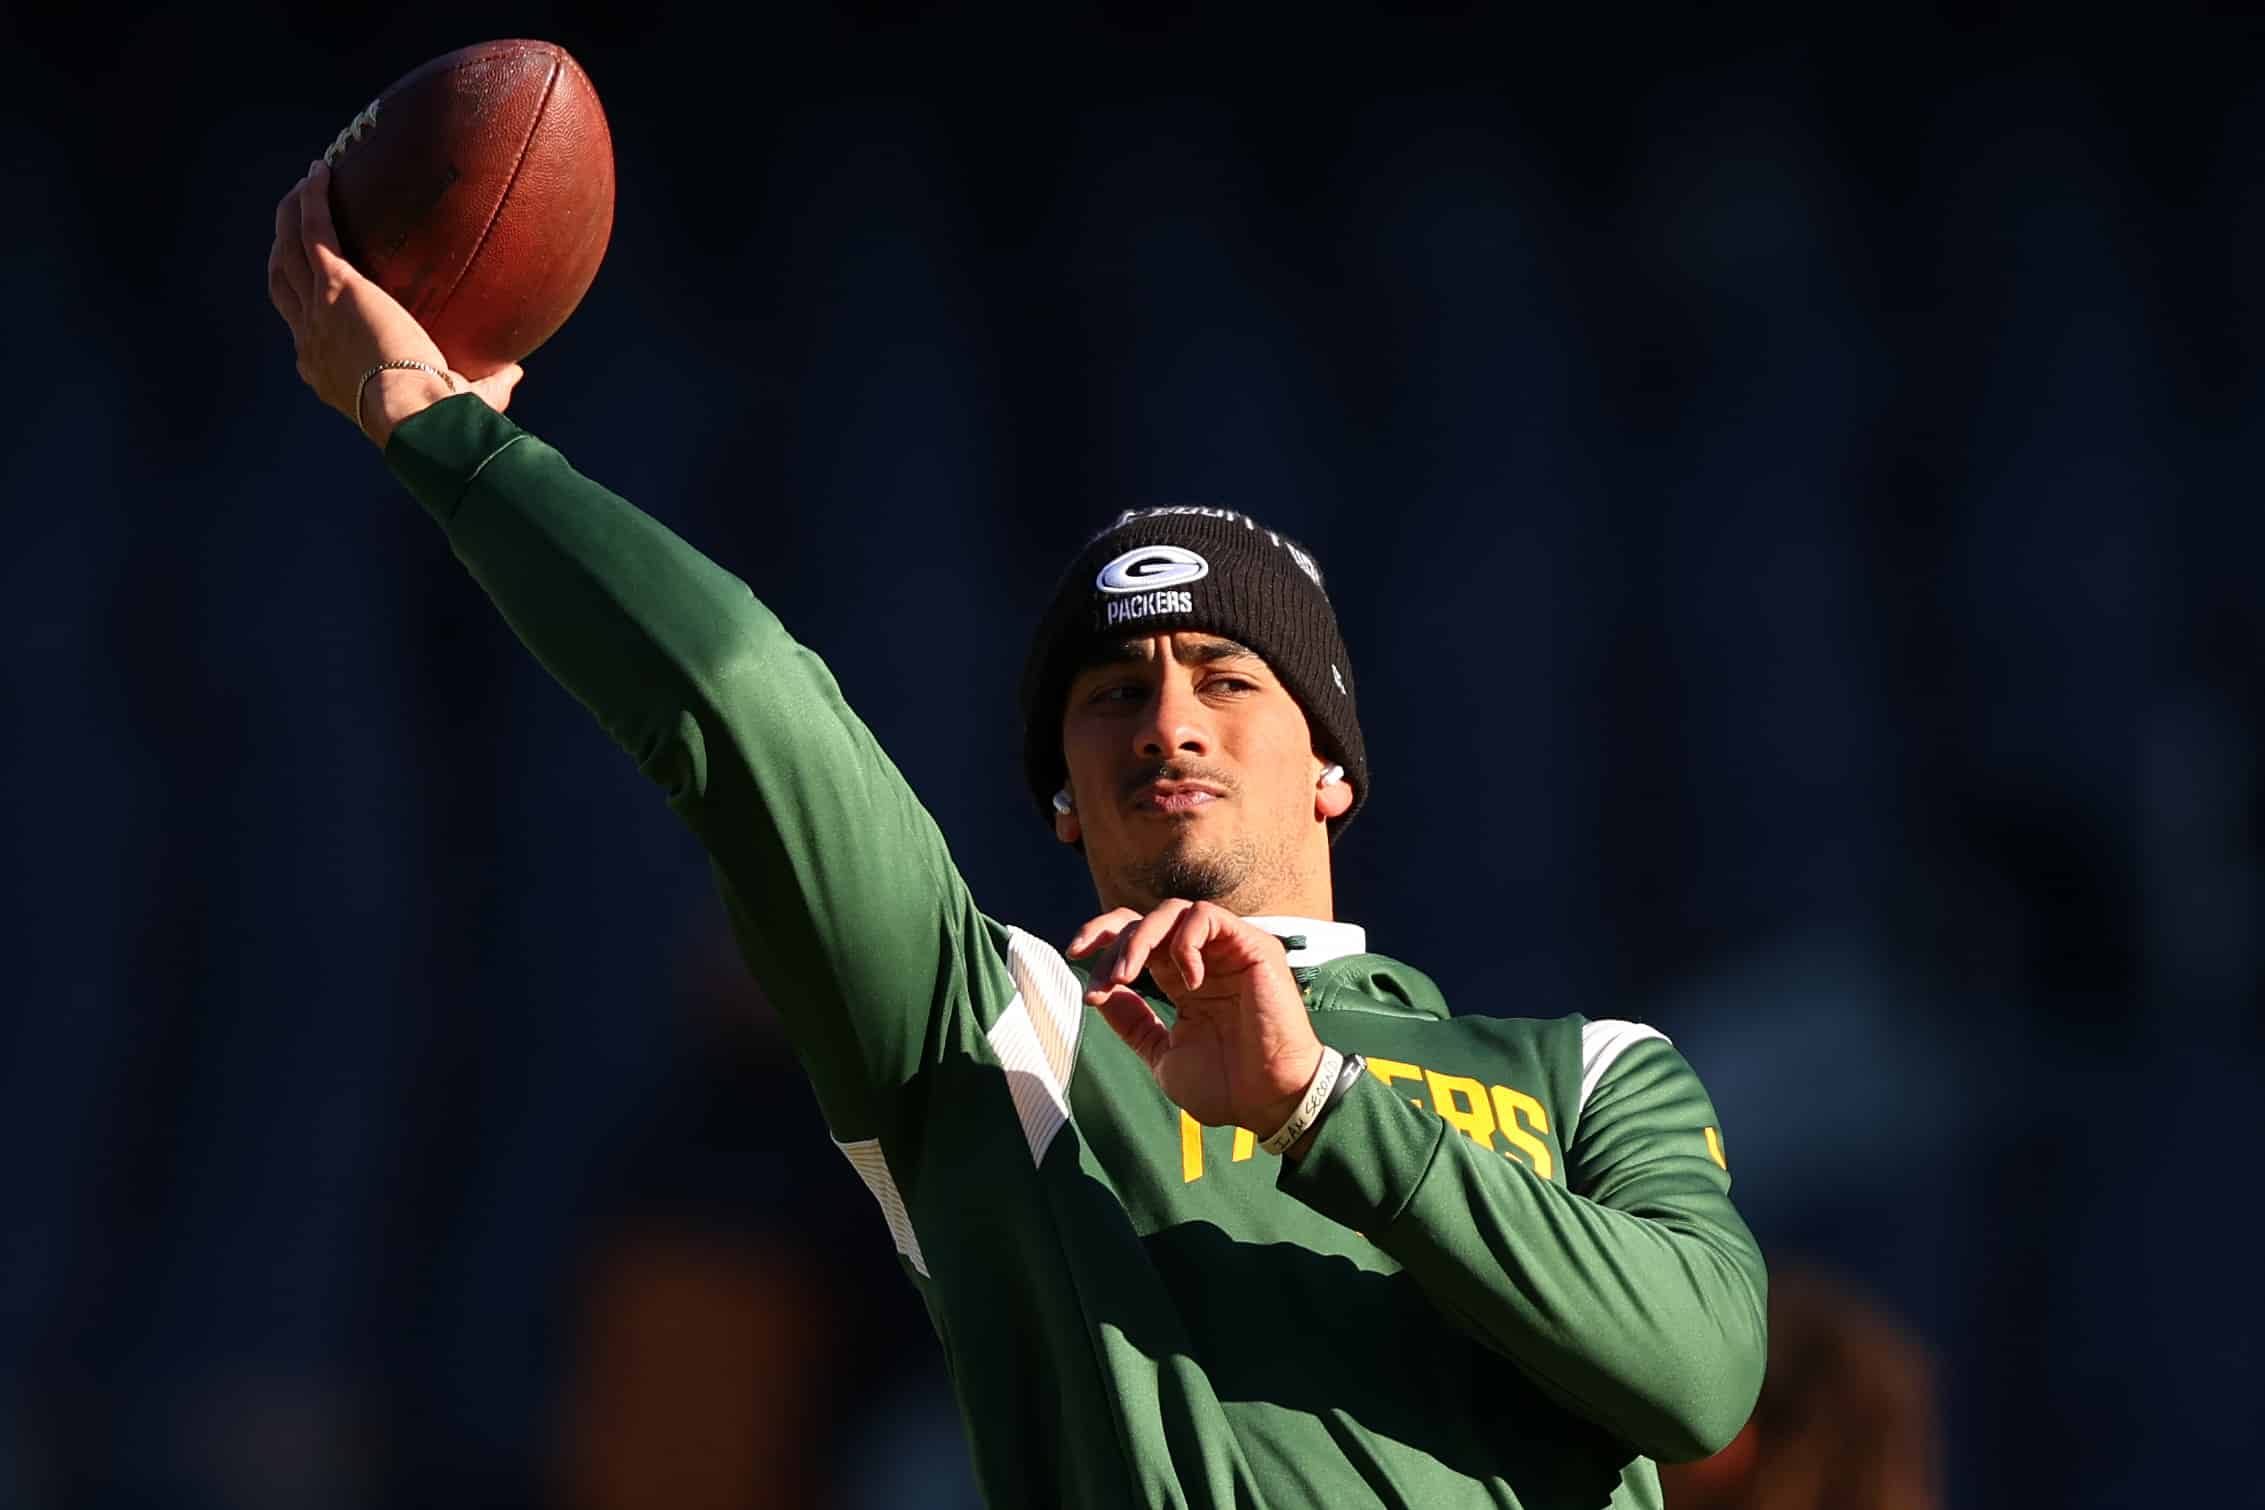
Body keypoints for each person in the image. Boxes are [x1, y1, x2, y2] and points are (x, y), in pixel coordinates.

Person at [268, 158, 1767, 1508]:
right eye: (1111, 695)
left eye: (1226, 679)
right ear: (1060, 794)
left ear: (1333, 770)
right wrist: (455, 444)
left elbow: (1696, 1376)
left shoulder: (1588, 1073)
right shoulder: (996, 1041)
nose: (1167, 722)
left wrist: (1313, 1104)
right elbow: (746, 707)